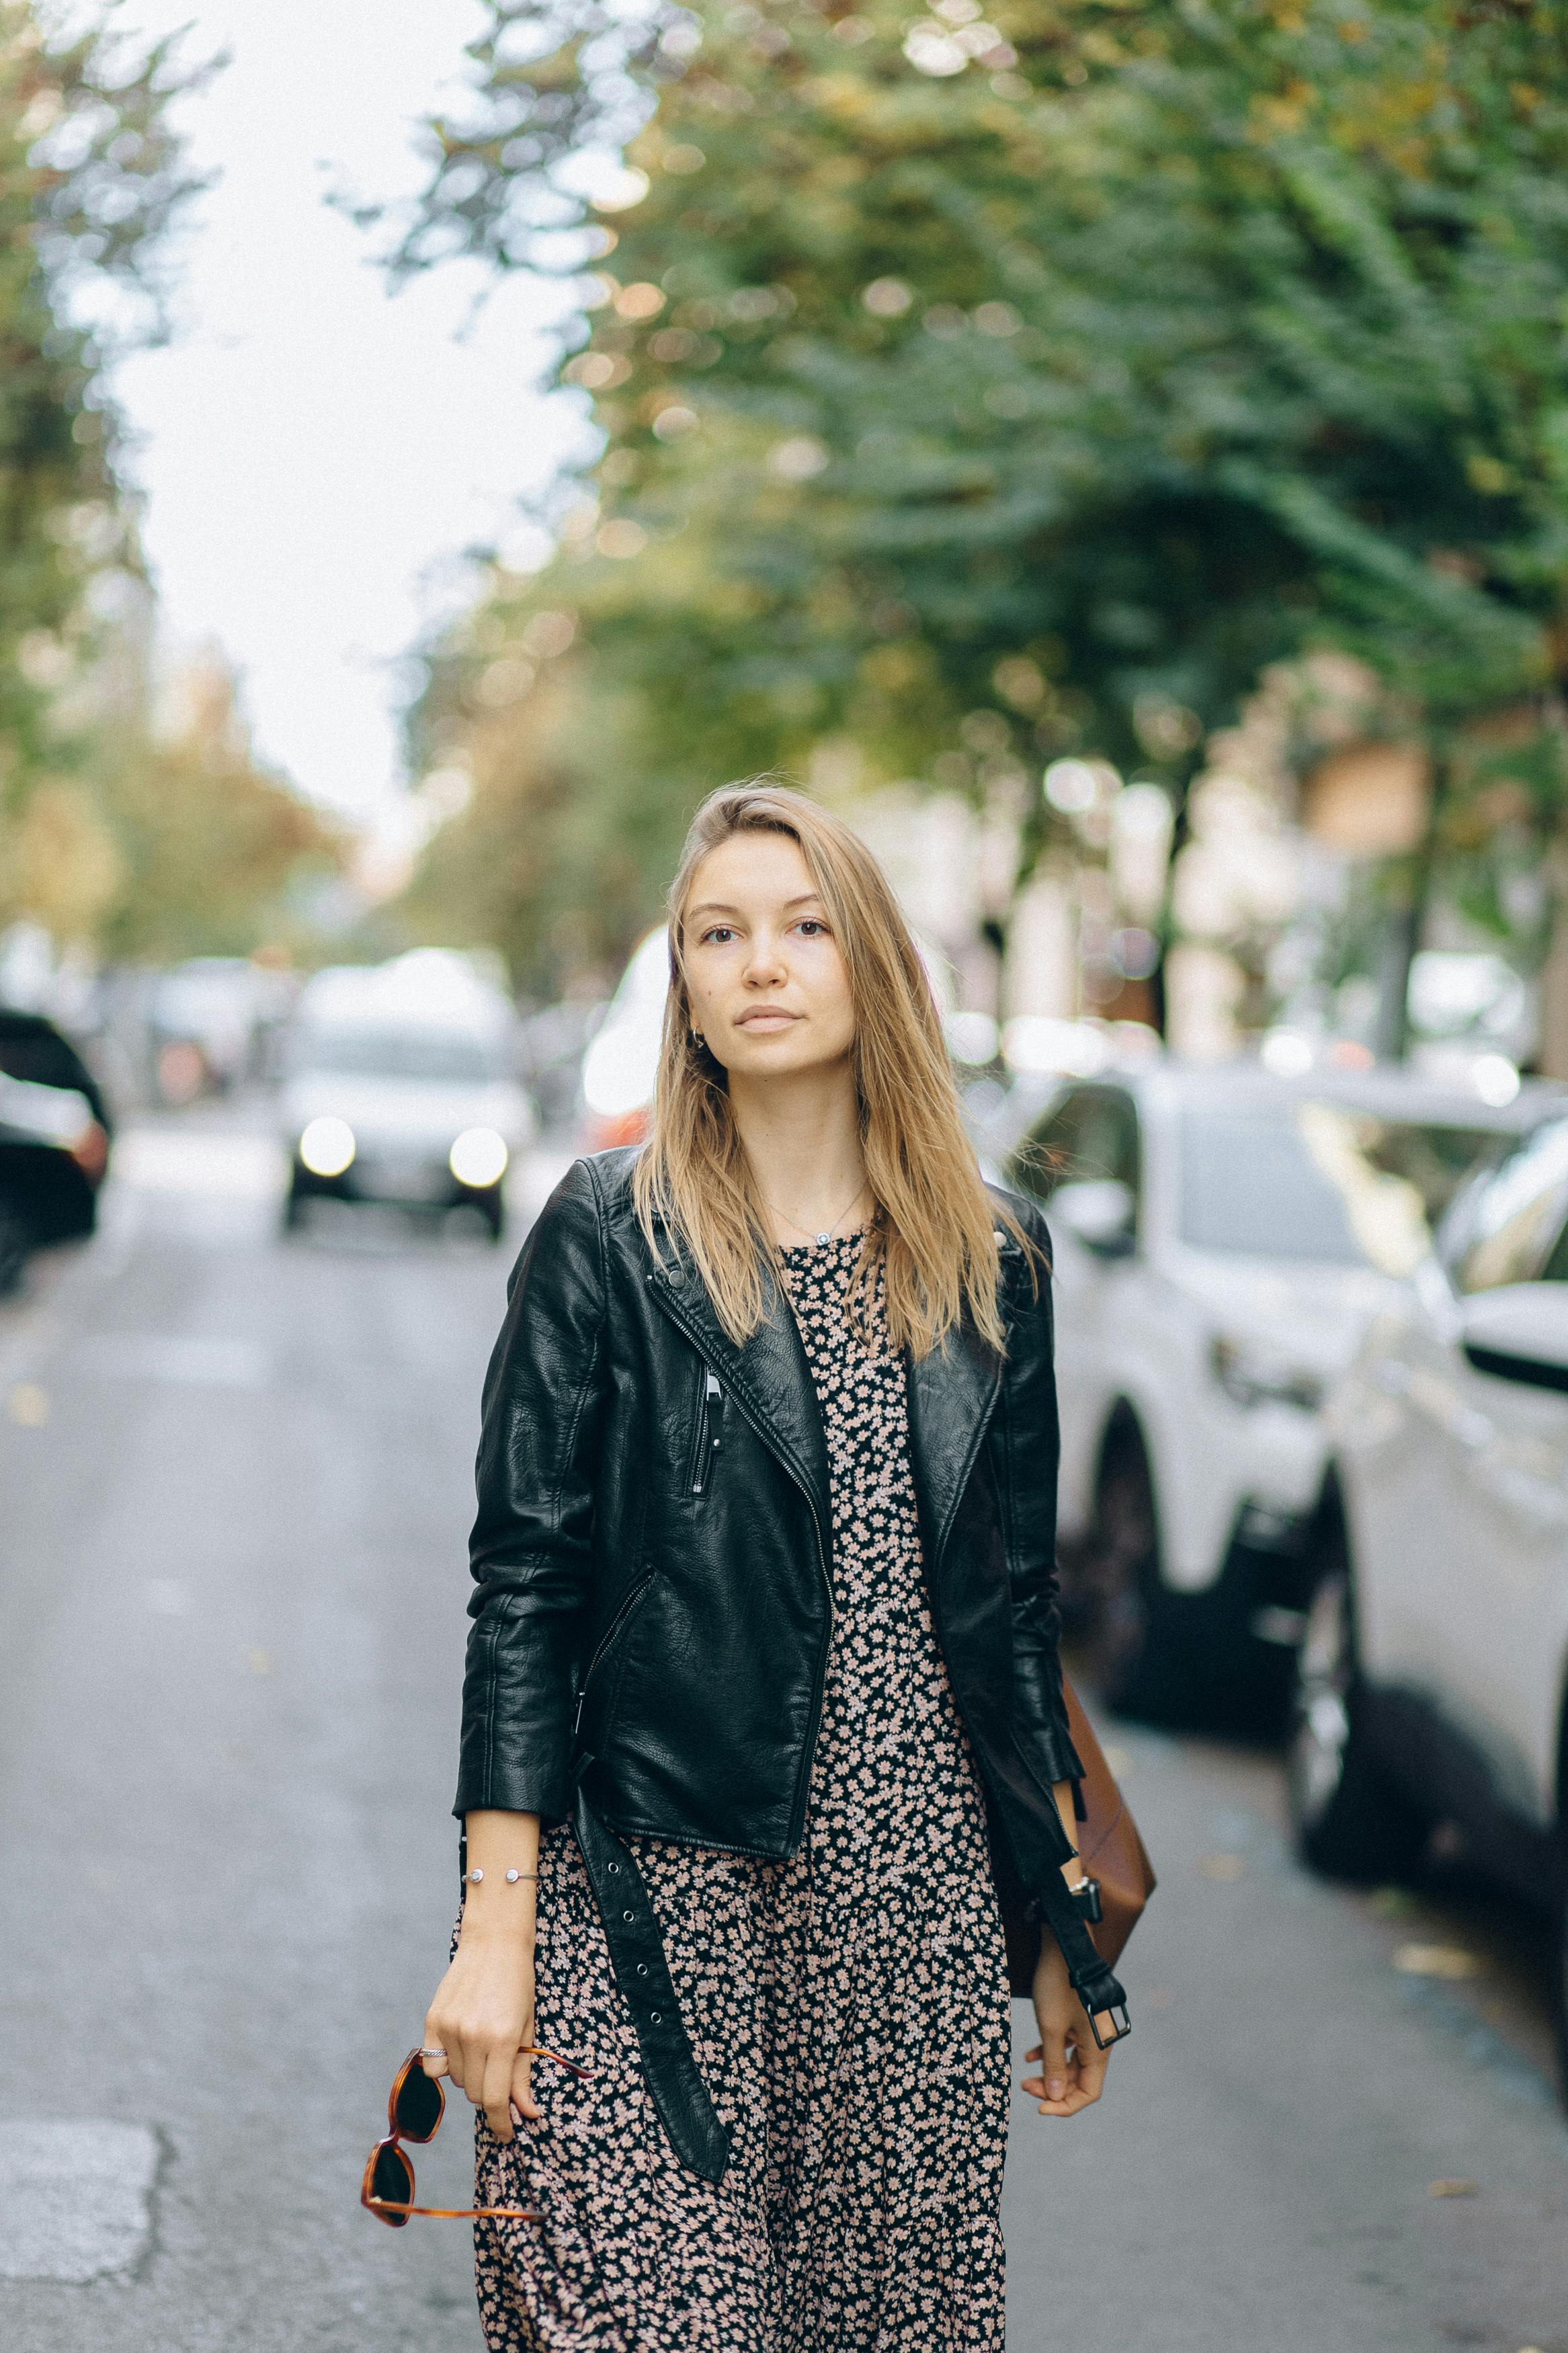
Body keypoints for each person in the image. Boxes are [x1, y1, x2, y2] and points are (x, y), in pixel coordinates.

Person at [420, 782, 1128, 2352]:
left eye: (807, 926)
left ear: (874, 961)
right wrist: (492, 1926)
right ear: (683, 984)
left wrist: (1058, 1912)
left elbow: (1012, 1612)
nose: (762, 962)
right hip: (648, 1884)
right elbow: (524, 1587)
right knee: (637, 2316)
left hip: (910, 1899)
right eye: (718, 933)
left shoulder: (991, 1252)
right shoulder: (612, 1235)